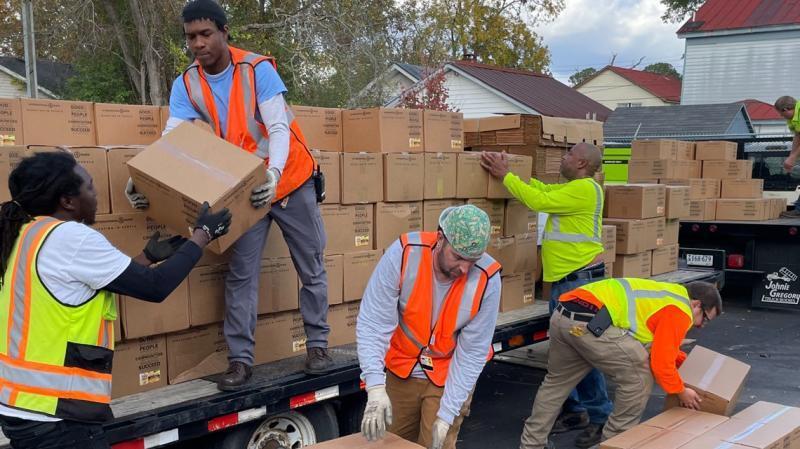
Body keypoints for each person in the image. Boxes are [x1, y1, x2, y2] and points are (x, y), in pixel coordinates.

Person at [125, 0, 332, 390]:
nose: (198, 43)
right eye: (190, 37)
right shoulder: (187, 83)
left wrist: (273, 172)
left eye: (205, 34)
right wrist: (145, 176)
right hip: (244, 188)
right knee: (240, 274)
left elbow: (278, 129)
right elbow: (174, 137)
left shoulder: (257, 70)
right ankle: (239, 361)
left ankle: (318, 346)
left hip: (289, 180)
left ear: (224, 32)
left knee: (311, 266)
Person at [0, 151, 231, 449]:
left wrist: (145, 259)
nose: (96, 195)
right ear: (67, 201)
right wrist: (203, 235)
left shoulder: (27, 234)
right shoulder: (71, 237)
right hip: (57, 415)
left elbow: (77, 285)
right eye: (90, 187)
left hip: (21, 406)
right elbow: (156, 288)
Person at [480, 143, 612, 448]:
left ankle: (600, 416)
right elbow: (545, 191)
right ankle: (575, 410)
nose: (561, 159)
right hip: (567, 283)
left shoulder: (585, 189)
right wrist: (514, 174)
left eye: (567, 155)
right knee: (563, 354)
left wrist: (507, 177)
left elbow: (539, 200)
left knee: (582, 352)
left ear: (580, 163)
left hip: (578, 284)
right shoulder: (573, 189)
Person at [357, 205, 501, 449]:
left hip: (448, 376)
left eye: (472, 261)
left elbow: (472, 352)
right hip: (402, 368)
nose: (464, 269)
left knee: (437, 443)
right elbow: (374, 323)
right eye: (458, 257)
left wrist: (447, 415)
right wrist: (375, 387)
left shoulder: (488, 279)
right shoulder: (404, 254)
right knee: (390, 443)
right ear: (440, 238)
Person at [518, 278, 722, 449]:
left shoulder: (667, 294)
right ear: (695, 304)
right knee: (638, 379)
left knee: (556, 384)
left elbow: (662, 346)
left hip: (563, 316)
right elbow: (661, 363)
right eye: (704, 319)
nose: (701, 326)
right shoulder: (680, 311)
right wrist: (681, 391)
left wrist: (681, 363)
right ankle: (615, 444)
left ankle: (531, 444)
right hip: (592, 323)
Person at [774, 96, 800, 218]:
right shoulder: (793, 118)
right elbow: (797, 136)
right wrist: (791, 157)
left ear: (786, 109)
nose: (781, 116)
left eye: (781, 114)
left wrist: (793, 158)